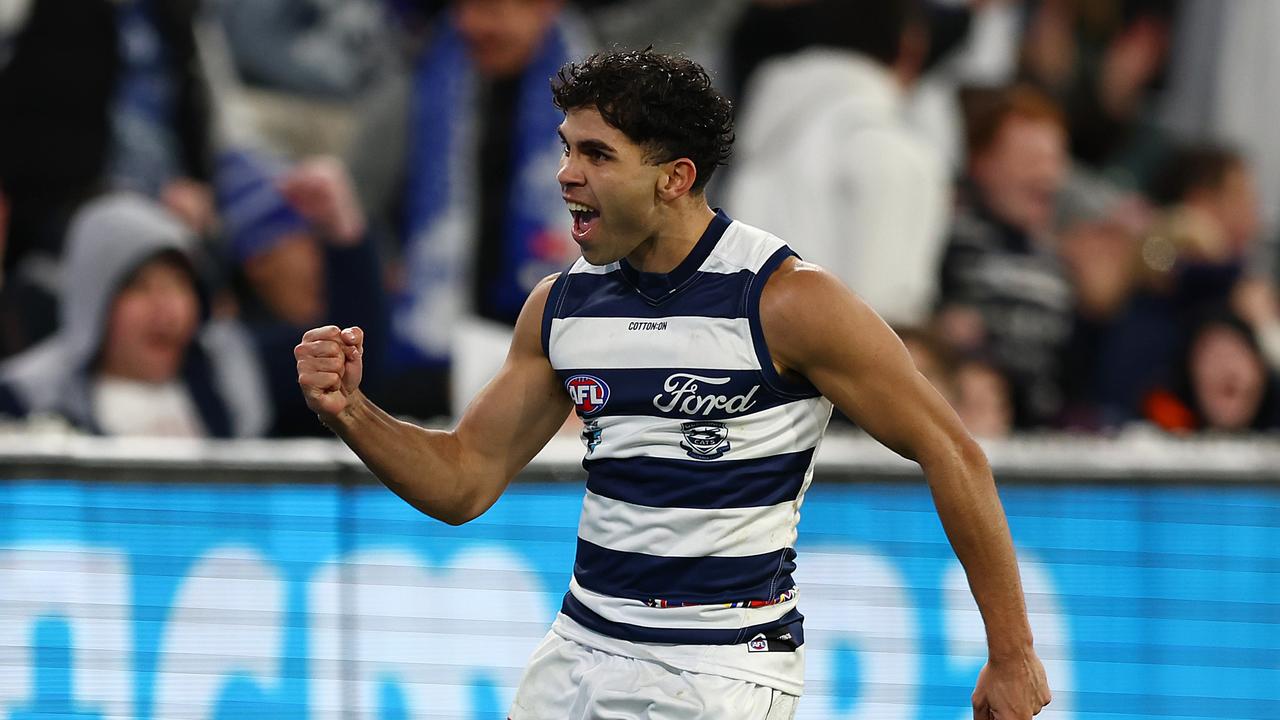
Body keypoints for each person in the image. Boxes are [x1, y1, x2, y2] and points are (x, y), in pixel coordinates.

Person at [296, 49, 1051, 719]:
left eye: (597, 154)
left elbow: (954, 452)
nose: (566, 175)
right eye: (566, 150)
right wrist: (351, 412)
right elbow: (462, 483)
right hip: (577, 649)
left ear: (674, 179)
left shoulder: (787, 302)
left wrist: (1012, 653)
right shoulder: (559, 308)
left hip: (717, 667)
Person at [726, 0, 949, 328]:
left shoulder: (753, 136)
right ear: (909, 46)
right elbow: (887, 315)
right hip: (821, 367)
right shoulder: (892, 149)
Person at [0, 192, 270, 436]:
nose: (167, 308)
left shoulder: (227, 385)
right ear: (93, 300)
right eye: (140, 287)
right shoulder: (26, 401)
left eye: (179, 284)